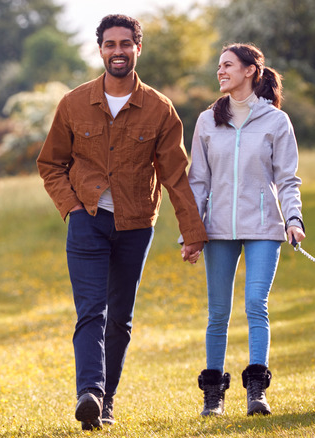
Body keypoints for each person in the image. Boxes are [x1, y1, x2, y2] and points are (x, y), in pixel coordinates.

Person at [36, 14, 207, 431]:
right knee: (90, 310)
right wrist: (73, 208)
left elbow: (175, 176)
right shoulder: (74, 103)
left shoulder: (160, 109)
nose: (118, 51)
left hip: (136, 225)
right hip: (87, 220)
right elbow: (50, 163)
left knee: (120, 318)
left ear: (137, 49)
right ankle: (90, 393)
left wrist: (192, 232)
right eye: (110, 44)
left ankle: (107, 399)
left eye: (125, 44)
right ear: (100, 50)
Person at [181, 43, 306, 417]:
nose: (220, 71)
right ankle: (213, 396)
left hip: (264, 227)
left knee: (255, 304)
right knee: (218, 312)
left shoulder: (276, 122)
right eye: (219, 66)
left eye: (228, 65)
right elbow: (198, 181)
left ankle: (256, 393)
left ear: (251, 70)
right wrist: (191, 232)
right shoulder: (207, 121)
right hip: (218, 229)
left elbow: (287, 179)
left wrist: (294, 219)